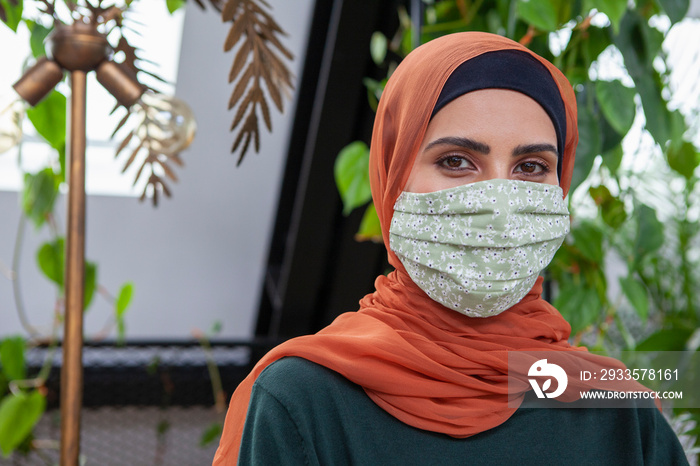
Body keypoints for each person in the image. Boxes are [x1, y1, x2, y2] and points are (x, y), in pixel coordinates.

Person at [213, 32, 688, 465]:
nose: (501, 205)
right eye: (457, 161)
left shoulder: (616, 412)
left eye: (531, 167)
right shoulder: (306, 402)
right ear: (393, 179)